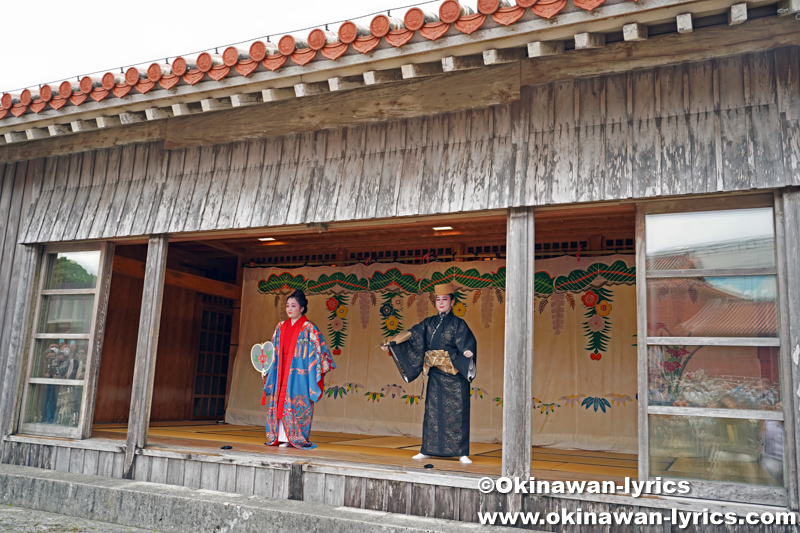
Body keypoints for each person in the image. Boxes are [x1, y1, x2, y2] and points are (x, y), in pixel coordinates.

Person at [382, 283, 477, 464]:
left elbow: (467, 343)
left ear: (452, 301)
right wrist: (393, 342)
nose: (441, 303)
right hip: (435, 375)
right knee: (432, 414)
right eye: (438, 299)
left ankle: (462, 452)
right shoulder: (428, 323)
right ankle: (427, 449)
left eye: (445, 299)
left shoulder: (458, 324)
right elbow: (413, 335)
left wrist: (467, 352)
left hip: (455, 375)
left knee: (457, 414)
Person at [264, 290, 335, 449]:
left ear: (302, 308)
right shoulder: (280, 326)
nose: (289, 309)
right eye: (287, 306)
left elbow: (319, 350)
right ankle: (280, 436)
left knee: (298, 401)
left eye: (293, 306)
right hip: (281, 370)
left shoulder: (309, 328)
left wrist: (321, 363)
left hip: (300, 372)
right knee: (279, 401)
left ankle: (295, 437)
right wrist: (266, 365)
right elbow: (272, 349)